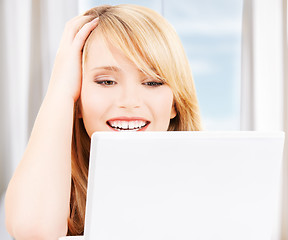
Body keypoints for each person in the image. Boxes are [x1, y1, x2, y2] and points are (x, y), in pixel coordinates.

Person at [5, 4, 202, 239]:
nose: (129, 101)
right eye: (106, 81)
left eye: (152, 82)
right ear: (77, 99)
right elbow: (34, 231)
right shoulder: (53, 190)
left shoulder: (209, 186)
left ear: (174, 104)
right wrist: (61, 90)